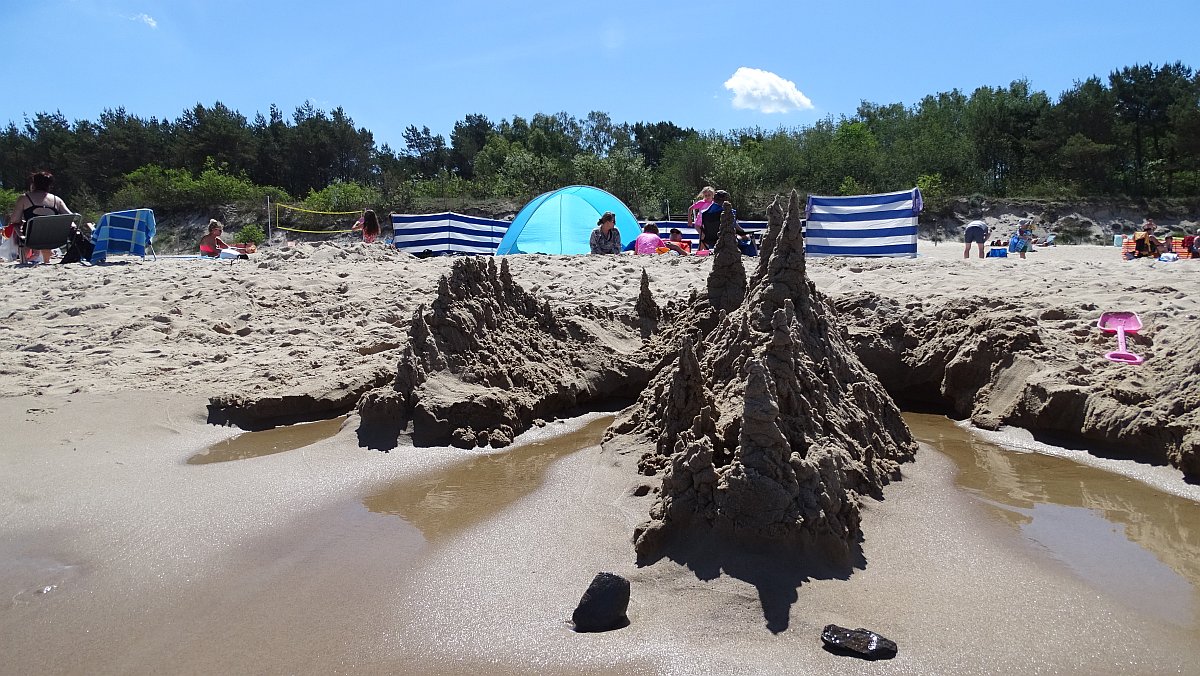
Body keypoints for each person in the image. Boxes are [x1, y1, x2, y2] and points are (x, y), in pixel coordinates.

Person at [8, 170, 72, 264]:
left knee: (18, 225)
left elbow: (14, 219)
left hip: (30, 239)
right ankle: (47, 261)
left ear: (33, 184)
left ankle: (24, 259)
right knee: (48, 229)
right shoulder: (56, 200)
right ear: (49, 185)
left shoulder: (24, 198)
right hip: (54, 239)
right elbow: (71, 217)